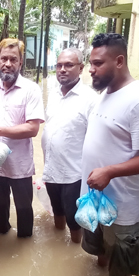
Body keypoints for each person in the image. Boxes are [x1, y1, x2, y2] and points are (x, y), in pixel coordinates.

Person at [81, 33, 139, 276]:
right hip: (95, 199)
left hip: (124, 207)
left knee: (121, 268)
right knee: (101, 254)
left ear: (119, 61)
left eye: (98, 63)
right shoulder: (104, 94)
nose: (91, 69)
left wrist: (110, 171)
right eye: (91, 62)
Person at [0, 38, 45, 238]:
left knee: (24, 206)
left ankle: (25, 242)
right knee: (0, 205)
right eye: (4, 59)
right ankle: (3, 233)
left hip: (20, 163)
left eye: (13, 59)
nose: (7, 63)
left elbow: (33, 129)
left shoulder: (31, 89)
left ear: (20, 62)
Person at [42, 48, 99, 244]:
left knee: (74, 221)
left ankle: (74, 248)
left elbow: (96, 140)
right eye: (59, 65)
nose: (62, 70)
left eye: (68, 65)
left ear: (81, 68)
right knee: (56, 213)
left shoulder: (91, 100)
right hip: (51, 170)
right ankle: (57, 247)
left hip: (74, 174)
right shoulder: (54, 94)